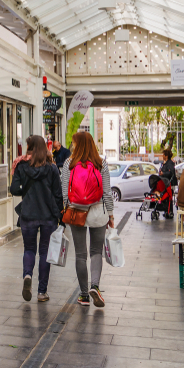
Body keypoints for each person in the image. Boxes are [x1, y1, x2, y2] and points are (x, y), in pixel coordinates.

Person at [61, 132, 114, 308]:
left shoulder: (69, 163)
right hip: (99, 212)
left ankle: (84, 295)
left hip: (77, 211)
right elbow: (107, 192)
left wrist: (66, 211)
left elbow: (64, 193)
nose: (72, 146)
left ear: (78, 144)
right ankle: (95, 286)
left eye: (74, 143)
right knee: (96, 252)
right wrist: (111, 214)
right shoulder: (101, 163)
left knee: (80, 254)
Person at [10, 135, 63, 303]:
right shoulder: (52, 168)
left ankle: (27, 275)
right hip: (48, 216)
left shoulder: (22, 167)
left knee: (29, 249)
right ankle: (42, 292)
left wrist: (25, 188)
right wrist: (60, 214)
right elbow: (58, 194)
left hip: (28, 214)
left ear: (30, 148)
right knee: (45, 252)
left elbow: (14, 190)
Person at [158, 148, 178, 218]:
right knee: (166, 197)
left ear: (166, 156)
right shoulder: (164, 163)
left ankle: (170, 211)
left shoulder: (170, 163)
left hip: (169, 183)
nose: (162, 156)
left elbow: (171, 172)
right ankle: (167, 210)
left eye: (163, 155)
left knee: (169, 197)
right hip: (164, 182)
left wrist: (163, 173)